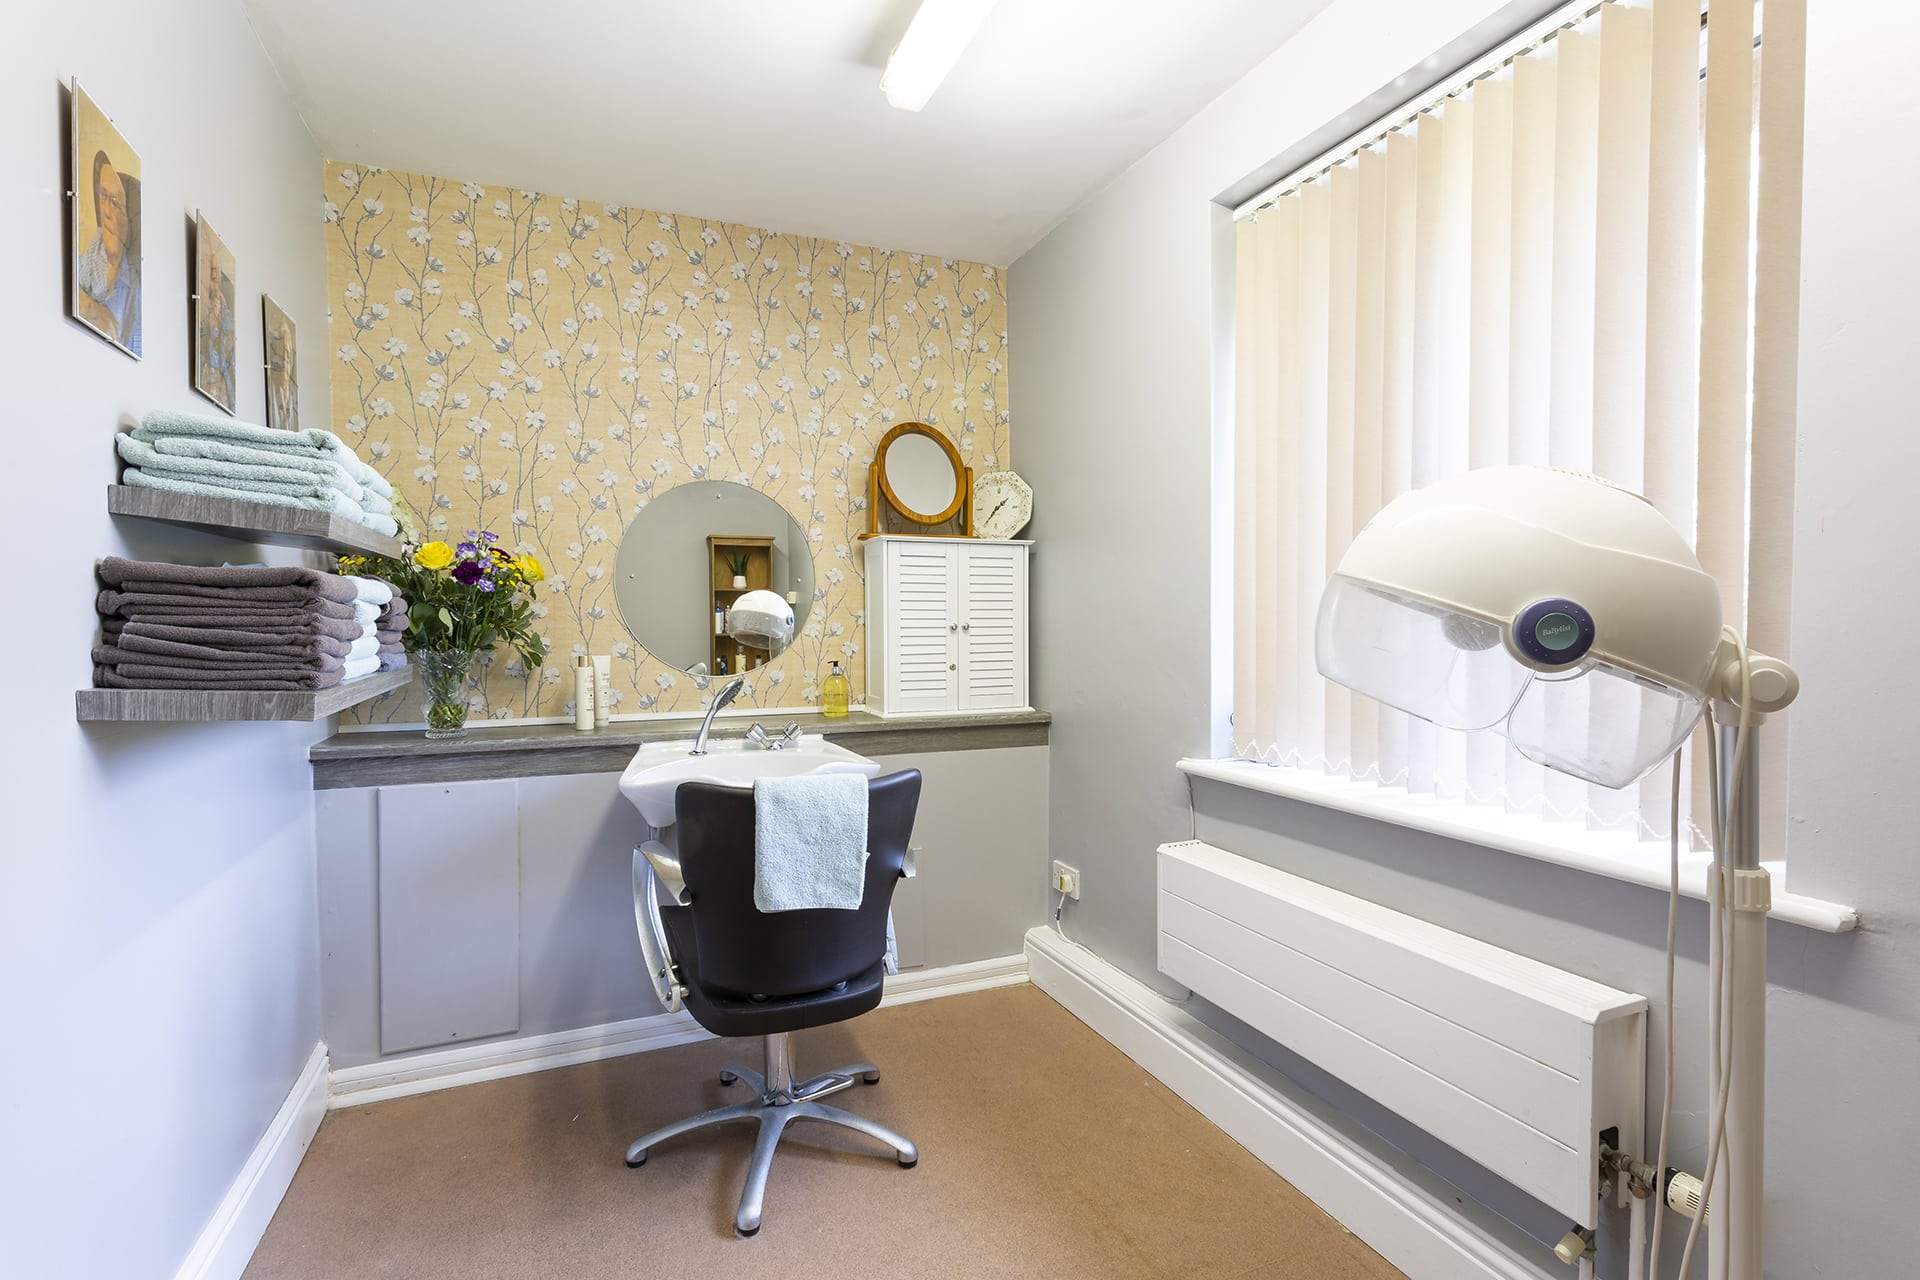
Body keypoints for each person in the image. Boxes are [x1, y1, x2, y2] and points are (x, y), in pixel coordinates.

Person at [74, 150, 140, 355]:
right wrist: (88, 305)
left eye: (116, 203)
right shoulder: (89, 257)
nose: (107, 212)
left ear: (129, 221)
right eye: (103, 197)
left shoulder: (134, 289)